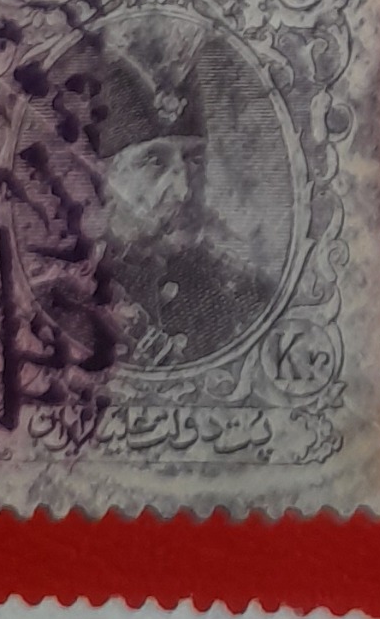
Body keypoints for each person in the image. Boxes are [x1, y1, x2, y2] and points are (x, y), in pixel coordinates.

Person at [82, 26, 272, 369]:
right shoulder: (72, 289)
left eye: (193, 161)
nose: (184, 189)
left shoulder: (235, 293)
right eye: (154, 162)